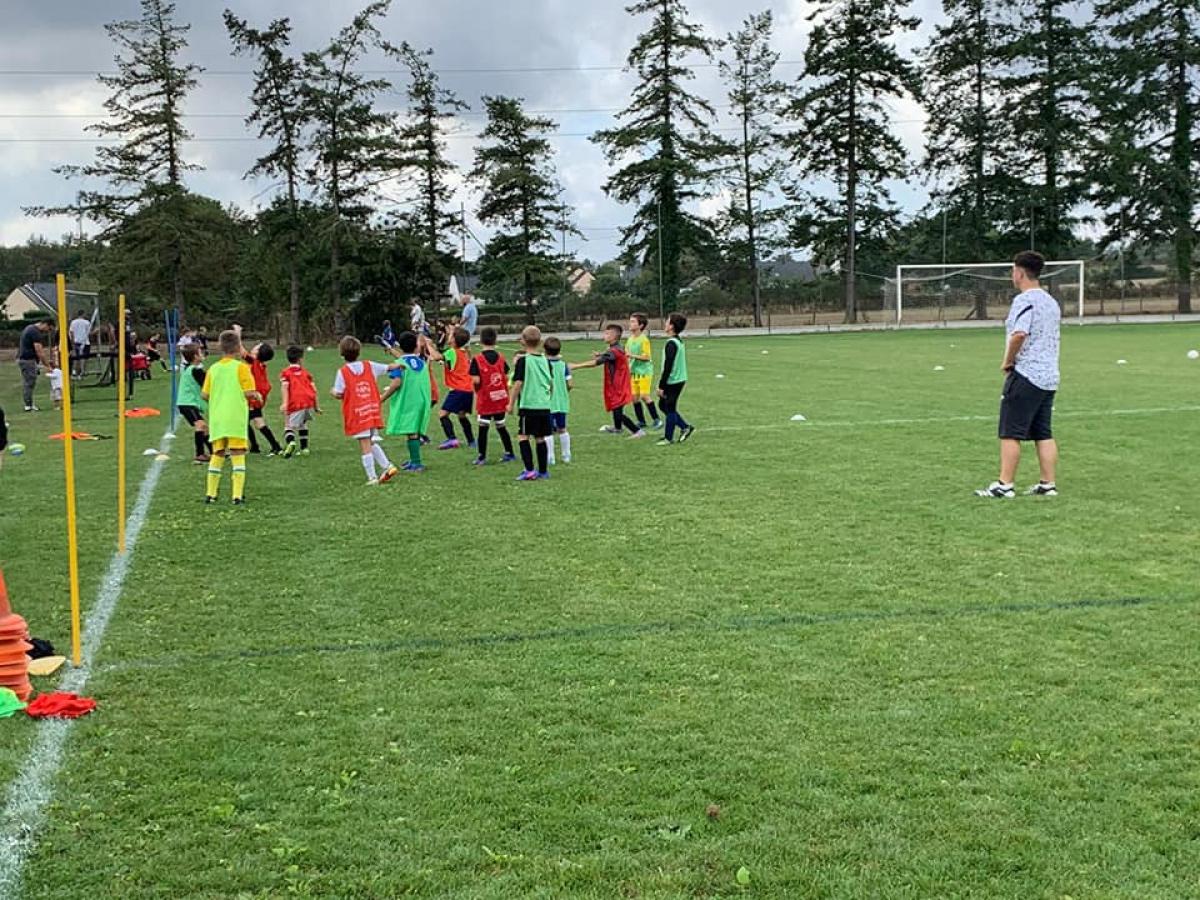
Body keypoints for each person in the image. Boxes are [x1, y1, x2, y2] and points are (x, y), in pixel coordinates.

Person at [976, 250, 1062, 499]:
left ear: (1020, 272)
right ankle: (1048, 484)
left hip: (1027, 374)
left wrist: (1008, 361)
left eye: (1013, 270)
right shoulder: (1051, 301)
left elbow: (1019, 334)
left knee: (1010, 431)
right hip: (1049, 376)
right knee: (1043, 432)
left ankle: (1005, 485)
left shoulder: (1025, 300)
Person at [201, 330, 261, 505]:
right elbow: (249, 392)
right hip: (235, 417)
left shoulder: (213, 369)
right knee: (237, 453)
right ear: (238, 347)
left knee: (217, 453)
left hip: (217, 418)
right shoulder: (241, 368)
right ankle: (237, 495)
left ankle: (211, 494)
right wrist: (256, 395)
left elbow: (204, 394)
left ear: (220, 347)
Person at [331, 336, 399, 485]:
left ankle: (372, 477)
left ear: (341, 354)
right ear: (359, 351)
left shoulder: (343, 372)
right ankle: (388, 466)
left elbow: (338, 393)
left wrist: (333, 392)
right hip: (371, 410)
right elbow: (388, 367)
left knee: (365, 444)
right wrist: (401, 364)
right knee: (370, 441)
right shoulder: (369, 365)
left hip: (358, 413)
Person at [570, 323, 645, 438]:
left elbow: (596, 363)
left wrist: (575, 366)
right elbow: (610, 355)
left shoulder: (613, 351)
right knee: (616, 407)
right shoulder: (616, 348)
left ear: (614, 336)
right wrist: (601, 354)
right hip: (619, 383)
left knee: (617, 410)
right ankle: (617, 428)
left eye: (607, 333)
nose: (604, 336)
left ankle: (637, 431)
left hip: (618, 385)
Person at [381, 331, 433, 473]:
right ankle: (413, 460)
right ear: (416, 346)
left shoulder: (399, 364)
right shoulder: (421, 362)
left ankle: (416, 463)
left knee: (412, 432)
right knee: (413, 430)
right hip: (421, 399)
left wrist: (382, 398)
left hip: (408, 401)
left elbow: (396, 383)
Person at [508, 325, 553, 481]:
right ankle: (543, 471)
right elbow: (550, 382)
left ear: (523, 341)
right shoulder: (545, 361)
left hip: (529, 405)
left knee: (523, 436)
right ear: (540, 342)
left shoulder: (523, 361)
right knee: (540, 438)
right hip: (544, 405)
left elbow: (518, 383)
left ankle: (529, 470)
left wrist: (511, 403)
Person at [469, 326, 517, 465]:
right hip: (500, 398)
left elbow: (476, 380)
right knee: (501, 426)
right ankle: (510, 453)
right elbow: (505, 375)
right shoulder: (501, 358)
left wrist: (476, 386)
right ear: (495, 340)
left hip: (486, 399)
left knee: (483, 427)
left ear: (480, 340)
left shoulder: (477, 359)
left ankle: (481, 457)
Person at [435, 327, 476, 450]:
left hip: (458, 389)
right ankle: (471, 441)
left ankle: (452, 439)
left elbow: (437, 357)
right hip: (468, 389)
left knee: (442, 414)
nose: (448, 335)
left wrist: (427, 345)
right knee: (462, 415)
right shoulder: (463, 352)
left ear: (453, 339)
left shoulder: (452, 352)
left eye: (450, 334)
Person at [656, 313, 694, 445]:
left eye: (667, 321)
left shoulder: (671, 343)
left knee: (670, 407)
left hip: (674, 380)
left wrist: (661, 385)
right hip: (678, 379)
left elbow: (668, 366)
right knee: (662, 405)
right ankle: (685, 427)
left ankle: (668, 438)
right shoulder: (677, 340)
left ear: (671, 326)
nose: (665, 323)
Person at [243, 342, 284, 456]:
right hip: (258, 396)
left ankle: (263, 446)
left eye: (257, 346)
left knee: (248, 421)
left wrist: (237, 335)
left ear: (257, 352)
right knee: (255, 421)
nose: (254, 346)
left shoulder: (253, 361)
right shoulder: (259, 363)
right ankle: (269, 446)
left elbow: (241, 351)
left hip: (254, 397)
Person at [280, 345, 320, 458]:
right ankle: (304, 448)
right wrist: (316, 407)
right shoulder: (306, 373)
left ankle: (291, 442)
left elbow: (285, 387)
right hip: (308, 402)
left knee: (288, 425)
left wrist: (285, 403)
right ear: (300, 359)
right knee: (303, 424)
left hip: (295, 402)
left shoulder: (285, 373)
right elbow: (314, 389)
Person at [625, 312, 661, 430]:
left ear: (640, 325)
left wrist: (632, 355)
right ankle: (641, 421)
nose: (630, 323)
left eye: (633, 321)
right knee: (634, 398)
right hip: (633, 372)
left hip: (644, 372)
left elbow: (646, 357)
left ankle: (657, 420)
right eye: (630, 321)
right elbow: (626, 355)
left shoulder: (644, 340)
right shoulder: (630, 339)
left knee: (645, 396)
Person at [177, 343, 211, 463]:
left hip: (188, 403)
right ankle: (199, 454)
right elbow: (207, 385)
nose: (202, 354)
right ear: (195, 356)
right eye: (200, 352)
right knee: (200, 425)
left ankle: (214, 451)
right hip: (187, 403)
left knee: (205, 428)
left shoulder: (191, 368)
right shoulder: (195, 370)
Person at [544, 336, 572, 465]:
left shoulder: (544, 364)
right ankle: (566, 455)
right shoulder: (563, 365)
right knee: (562, 428)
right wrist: (564, 392)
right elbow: (570, 384)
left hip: (547, 402)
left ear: (545, 350)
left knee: (548, 431)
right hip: (562, 402)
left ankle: (550, 457)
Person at [17, 319, 52, 411]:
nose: (47, 331)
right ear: (45, 324)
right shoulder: (35, 332)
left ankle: (29, 404)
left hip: (25, 359)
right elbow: (39, 351)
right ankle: (28, 405)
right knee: (29, 382)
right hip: (28, 360)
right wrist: (47, 365)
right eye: (49, 329)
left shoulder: (29, 328)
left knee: (29, 382)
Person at [68, 312, 91, 378]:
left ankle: (75, 372)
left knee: (76, 358)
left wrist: (72, 342)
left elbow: (71, 332)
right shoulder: (87, 322)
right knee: (84, 358)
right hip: (85, 342)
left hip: (76, 342)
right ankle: (82, 372)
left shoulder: (73, 322)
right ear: (83, 314)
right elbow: (89, 332)